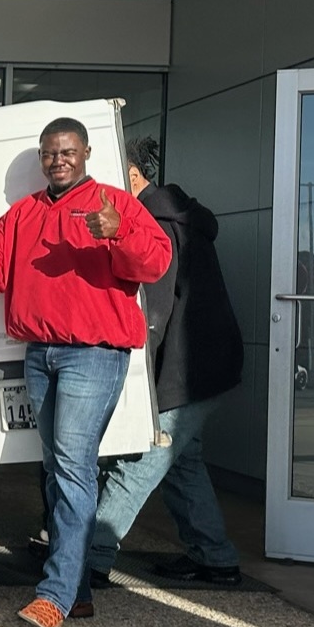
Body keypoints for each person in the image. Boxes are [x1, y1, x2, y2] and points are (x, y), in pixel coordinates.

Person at [0, 117, 173, 627]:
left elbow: (156, 262)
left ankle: (54, 594)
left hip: (93, 355)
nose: (59, 161)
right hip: (40, 354)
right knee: (56, 470)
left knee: (72, 468)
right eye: (50, 153)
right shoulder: (24, 213)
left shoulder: (115, 204)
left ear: (86, 152)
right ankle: (78, 591)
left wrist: (119, 234)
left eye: (68, 151)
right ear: (41, 158)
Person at [86, 137, 244, 586]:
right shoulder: (177, 216)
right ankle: (215, 557)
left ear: (133, 175)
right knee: (182, 462)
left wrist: (132, 376)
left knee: (139, 462)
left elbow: (152, 314)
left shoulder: (155, 224)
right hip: (205, 363)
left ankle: (90, 558)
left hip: (187, 367)